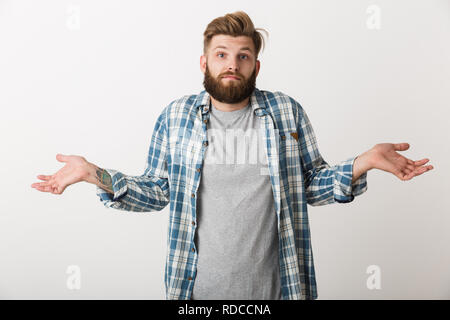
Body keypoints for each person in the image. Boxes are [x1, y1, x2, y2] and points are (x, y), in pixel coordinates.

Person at [31, 11, 434, 300]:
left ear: (255, 66)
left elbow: (310, 186)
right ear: (204, 61)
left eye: (242, 56)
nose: (232, 65)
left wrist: (362, 162)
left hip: (281, 289)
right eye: (222, 54)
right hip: (194, 291)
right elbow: (156, 191)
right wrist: (95, 174)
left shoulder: (286, 112)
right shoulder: (175, 117)